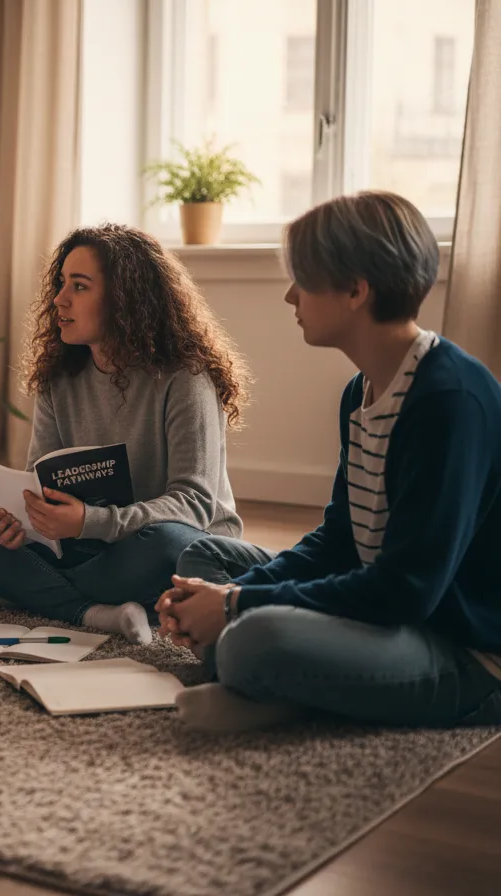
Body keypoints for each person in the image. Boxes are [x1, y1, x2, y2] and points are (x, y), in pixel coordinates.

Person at [159, 191, 501, 733]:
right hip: (382, 605)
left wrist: (236, 608)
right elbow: (341, 536)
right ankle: (278, 684)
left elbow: (407, 591)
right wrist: (230, 595)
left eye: (303, 279)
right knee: (204, 561)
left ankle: (266, 686)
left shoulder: (449, 399)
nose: (290, 295)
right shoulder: (360, 393)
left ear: (355, 291)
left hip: (459, 648)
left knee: (252, 639)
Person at [0, 224, 248, 642]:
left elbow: (194, 505)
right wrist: (21, 522)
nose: (60, 299)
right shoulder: (58, 378)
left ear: (126, 299)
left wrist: (90, 521)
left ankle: (19, 590)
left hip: (165, 541)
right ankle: (92, 611)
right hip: (89, 546)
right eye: (61, 283)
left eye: (79, 286)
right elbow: (40, 487)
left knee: (170, 546)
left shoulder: (185, 378)